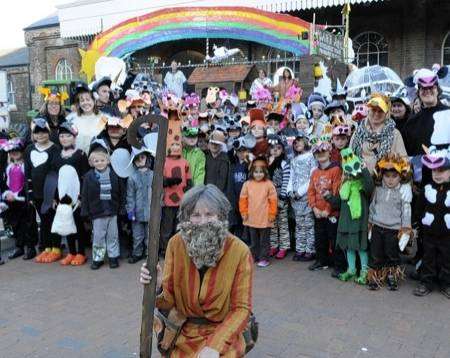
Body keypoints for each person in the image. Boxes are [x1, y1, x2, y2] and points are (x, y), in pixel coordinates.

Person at [140, 184, 253, 357]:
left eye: (209, 214)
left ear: (221, 216)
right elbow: (167, 303)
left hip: (222, 330)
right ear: (186, 217)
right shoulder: (176, 244)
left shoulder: (239, 251)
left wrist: (215, 346)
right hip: (183, 331)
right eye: (196, 215)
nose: (202, 222)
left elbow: (241, 308)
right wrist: (158, 286)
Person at [368, 154, 412, 290]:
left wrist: (405, 230)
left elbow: (406, 212)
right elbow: (372, 206)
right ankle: (375, 277)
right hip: (377, 227)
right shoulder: (378, 189)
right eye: (387, 176)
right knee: (376, 254)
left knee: (392, 255)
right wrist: (370, 225)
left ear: (401, 176)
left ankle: (392, 276)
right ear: (382, 175)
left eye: (394, 176)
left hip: (393, 230)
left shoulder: (402, 192)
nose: (390, 180)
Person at [413, 146, 450, 298]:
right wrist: (416, 224)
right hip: (429, 233)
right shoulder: (427, 189)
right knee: (428, 258)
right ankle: (426, 282)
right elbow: (419, 209)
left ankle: (446, 283)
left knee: (447, 259)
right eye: (435, 171)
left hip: (447, 235)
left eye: (442, 171)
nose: (437, 174)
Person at [51, 122, 90, 266]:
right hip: (62, 198)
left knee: (78, 225)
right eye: (62, 136)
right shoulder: (57, 156)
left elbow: (85, 176)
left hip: (76, 197)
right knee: (66, 224)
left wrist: (81, 197)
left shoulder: (80, 155)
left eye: (68, 135)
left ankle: (80, 253)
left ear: (74, 137)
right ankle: (71, 252)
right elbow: (55, 178)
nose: (65, 138)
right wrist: (55, 197)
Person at [307, 139, 346, 276]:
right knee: (320, 238)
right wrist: (314, 208)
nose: (320, 154)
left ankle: (339, 265)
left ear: (329, 153)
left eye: (323, 151)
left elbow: (335, 192)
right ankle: (321, 261)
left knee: (334, 239)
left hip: (332, 213)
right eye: (317, 152)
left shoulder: (336, 170)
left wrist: (327, 210)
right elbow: (311, 191)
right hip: (318, 213)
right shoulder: (314, 172)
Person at [81, 148, 124, 270]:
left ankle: (113, 257)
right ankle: (98, 258)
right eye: (96, 160)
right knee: (98, 237)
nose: (100, 162)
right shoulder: (89, 176)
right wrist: (85, 210)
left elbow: (121, 192)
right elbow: (85, 195)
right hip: (97, 212)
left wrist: (121, 208)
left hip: (112, 211)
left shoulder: (114, 174)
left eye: (102, 160)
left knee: (113, 236)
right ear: (92, 162)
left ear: (108, 160)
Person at [336, 148, 374, 285]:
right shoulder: (344, 186)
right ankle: (351, 270)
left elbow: (370, 187)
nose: (351, 174)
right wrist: (328, 197)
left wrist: (364, 169)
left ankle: (364, 271)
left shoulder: (362, 186)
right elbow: (339, 202)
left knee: (362, 248)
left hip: (359, 224)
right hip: (346, 223)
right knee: (349, 248)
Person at [25, 118, 60, 263]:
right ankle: (46, 248)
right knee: (44, 221)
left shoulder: (55, 149)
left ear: (48, 132)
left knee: (53, 220)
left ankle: (56, 248)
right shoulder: (29, 149)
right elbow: (28, 173)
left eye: (44, 132)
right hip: (37, 193)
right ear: (33, 135)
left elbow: (55, 172)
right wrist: (30, 194)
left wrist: (54, 195)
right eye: (37, 133)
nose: (41, 135)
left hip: (50, 193)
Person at [350, 93, 407, 174]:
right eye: (373, 109)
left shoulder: (395, 134)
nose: (376, 113)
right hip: (360, 181)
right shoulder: (358, 132)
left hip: (384, 182)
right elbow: (349, 158)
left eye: (380, 111)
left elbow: (404, 161)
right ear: (368, 109)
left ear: (386, 113)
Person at [1, 138, 37, 260]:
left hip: (23, 198)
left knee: (28, 224)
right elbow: (5, 182)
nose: (14, 153)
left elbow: (28, 182)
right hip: (11, 199)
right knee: (15, 224)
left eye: (16, 150)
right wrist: (7, 194)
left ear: (21, 151)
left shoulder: (26, 165)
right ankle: (19, 247)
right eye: (11, 151)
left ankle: (31, 247)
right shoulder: (8, 167)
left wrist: (23, 195)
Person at [239, 158, 277, 267]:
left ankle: (264, 258)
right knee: (254, 241)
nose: (258, 174)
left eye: (261, 172)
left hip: (265, 218)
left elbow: (273, 200)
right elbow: (243, 199)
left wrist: (272, 214)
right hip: (251, 218)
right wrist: (244, 212)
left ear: (265, 172)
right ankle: (254, 256)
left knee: (264, 241)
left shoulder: (269, 184)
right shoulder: (247, 184)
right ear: (252, 172)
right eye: (256, 172)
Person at [287, 133, 317, 262]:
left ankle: (310, 250)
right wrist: (290, 191)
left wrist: (300, 192)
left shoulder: (311, 157)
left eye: (299, 141)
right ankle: (300, 249)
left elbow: (312, 176)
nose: (297, 144)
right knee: (299, 225)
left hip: (306, 195)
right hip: (295, 197)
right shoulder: (293, 160)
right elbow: (291, 176)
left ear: (305, 141)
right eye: (294, 142)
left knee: (309, 224)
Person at [160, 142, 192, 255]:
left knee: (179, 227)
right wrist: (166, 181)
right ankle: (165, 249)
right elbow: (159, 180)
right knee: (166, 228)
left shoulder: (185, 163)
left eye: (177, 145)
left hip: (182, 201)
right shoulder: (163, 162)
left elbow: (189, 181)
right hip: (168, 201)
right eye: (173, 145)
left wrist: (189, 196)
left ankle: (178, 249)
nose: (175, 148)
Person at [126, 146, 153, 263]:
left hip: (151, 211)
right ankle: (137, 253)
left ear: (147, 158)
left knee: (150, 235)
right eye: (137, 158)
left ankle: (149, 254)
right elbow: (130, 195)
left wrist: (159, 208)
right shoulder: (132, 177)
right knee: (137, 235)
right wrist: (130, 211)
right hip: (137, 212)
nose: (140, 160)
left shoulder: (154, 175)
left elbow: (159, 193)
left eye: (142, 157)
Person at [267, 135, 290, 260]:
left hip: (281, 194)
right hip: (269, 196)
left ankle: (284, 246)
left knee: (282, 223)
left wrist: (283, 195)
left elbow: (286, 180)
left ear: (282, 149)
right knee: (272, 222)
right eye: (272, 148)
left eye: (278, 148)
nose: (275, 150)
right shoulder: (268, 162)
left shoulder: (284, 163)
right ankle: (274, 245)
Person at [66, 83, 103, 154]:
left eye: (88, 99)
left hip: (96, 160)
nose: (85, 103)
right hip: (77, 158)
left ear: (94, 101)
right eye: (82, 100)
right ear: (79, 103)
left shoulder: (103, 119)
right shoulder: (71, 119)